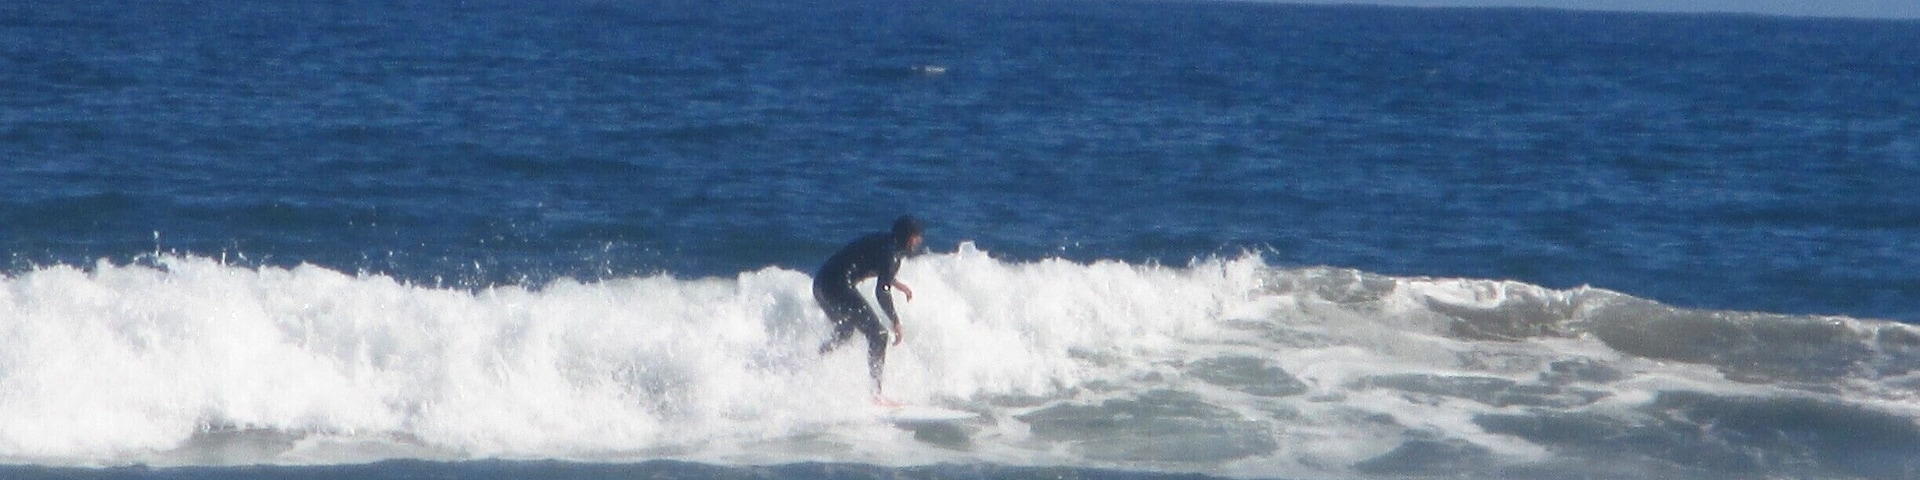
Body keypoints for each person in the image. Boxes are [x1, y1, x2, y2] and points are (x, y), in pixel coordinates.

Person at [815, 215, 922, 405]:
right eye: (916, 236)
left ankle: (813, 362)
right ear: (908, 238)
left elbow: (872, 265)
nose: (919, 241)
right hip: (837, 284)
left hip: (821, 283)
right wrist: (896, 321)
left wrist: (894, 283)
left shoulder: (885, 243)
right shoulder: (891, 254)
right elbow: (881, 291)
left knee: (846, 329)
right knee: (879, 334)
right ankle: (876, 394)